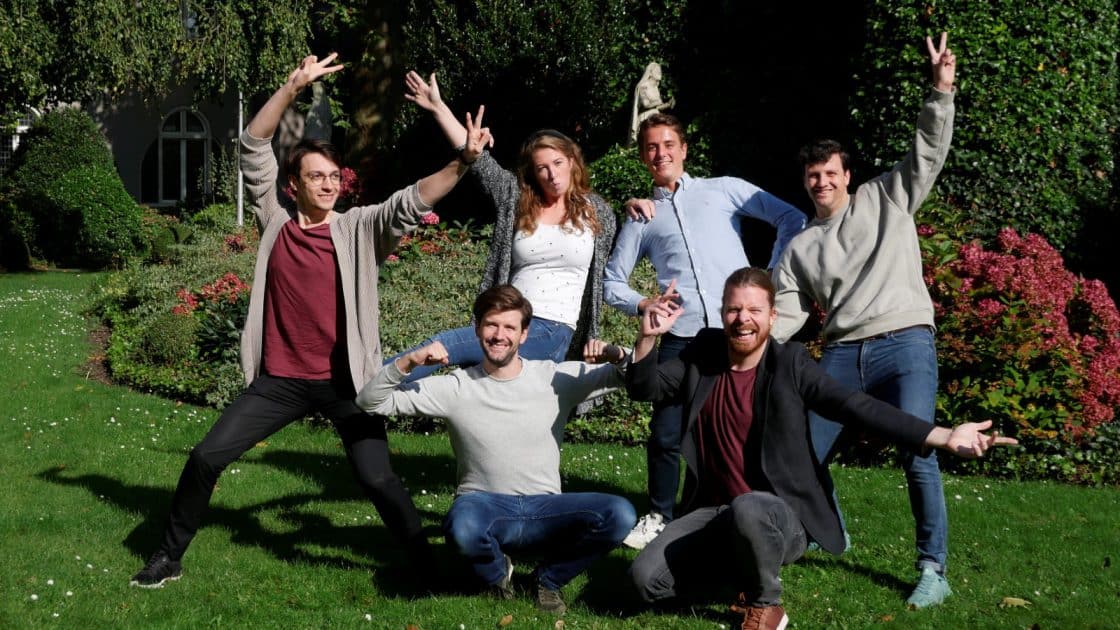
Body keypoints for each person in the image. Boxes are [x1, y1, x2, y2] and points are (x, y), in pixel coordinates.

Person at [129, 54, 483, 588]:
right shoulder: (274, 221)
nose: (328, 184)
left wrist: (464, 162)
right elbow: (252, 146)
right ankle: (168, 557)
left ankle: (425, 565)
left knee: (378, 478)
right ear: (292, 184)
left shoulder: (359, 228)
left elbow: (410, 202)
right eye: (316, 177)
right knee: (205, 457)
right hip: (280, 382)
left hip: (346, 383)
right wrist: (291, 86)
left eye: (334, 176)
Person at [627, 267, 1016, 630]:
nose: (743, 318)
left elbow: (855, 406)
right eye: (733, 309)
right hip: (711, 510)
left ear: (772, 317)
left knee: (749, 507)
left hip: (779, 516)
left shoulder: (790, 364)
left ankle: (766, 604)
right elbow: (646, 388)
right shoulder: (704, 352)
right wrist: (647, 339)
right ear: (723, 313)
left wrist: (941, 435)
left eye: (754, 310)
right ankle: (737, 576)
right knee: (644, 581)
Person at [770, 32, 958, 608]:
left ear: (846, 175)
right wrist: (737, 345)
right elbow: (783, 315)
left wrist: (940, 91)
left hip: (905, 342)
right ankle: (828, 526)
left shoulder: (887, 197)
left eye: (830, 173)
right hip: (844, 353)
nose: (822, 182)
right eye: (813, 175)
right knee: (800, 450)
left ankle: (933, 569)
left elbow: (927, 151)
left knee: (918, 449)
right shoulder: (800, 247)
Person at [357, 285, 636, 615]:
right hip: (484, 506)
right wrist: (408, 361)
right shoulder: (455, 387)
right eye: (491, 325)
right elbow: (370, 401)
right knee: (463, 527)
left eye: (509, 327)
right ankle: (497, 576)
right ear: (477, 329)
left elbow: (633, 376)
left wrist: (617, 353)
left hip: (545, 509)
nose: (499, 335)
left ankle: (547, 580)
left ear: (524, 334)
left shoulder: (555, 378)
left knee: (620, 514)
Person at [603, 111, 806, 549]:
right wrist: (644, 303)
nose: (661, 153)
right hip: (683, 338)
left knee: (754, 425)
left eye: (668, 144)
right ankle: (660, 515)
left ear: (684, 149)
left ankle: (767, 509)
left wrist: (767, 277)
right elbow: (611, 282)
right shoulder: (641, 217)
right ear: (643, 157)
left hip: (740, 333)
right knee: (666, 433)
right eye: (651, 147)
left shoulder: (724, 189)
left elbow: (791, 218)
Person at [388, 71, 617, 383]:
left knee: (447, 344)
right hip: (504, 320)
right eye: (542, 168)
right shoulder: (517, 200)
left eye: (558, 163)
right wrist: (438, 108)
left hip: (551, 329)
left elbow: (621, 262)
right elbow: (478, 160)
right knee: (470, 390)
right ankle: (371, 389)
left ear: (572, 162)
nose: (552, 174)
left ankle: (365, 384)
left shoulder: (598, 212)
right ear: (533, 173)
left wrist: (639, 205)